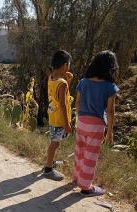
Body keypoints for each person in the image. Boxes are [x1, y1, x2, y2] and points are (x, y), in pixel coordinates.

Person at [74, 51, 119, 197]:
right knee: (90, 156)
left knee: (80, 152)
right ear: (112, 67)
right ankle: (86, 188)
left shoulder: (83, 82)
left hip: (81, 122)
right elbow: (110, 111)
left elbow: (77, 102)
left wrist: (80, 117)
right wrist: (110, 132)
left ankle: (77, 178)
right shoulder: (110, 86)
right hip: (97, 125)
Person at [43, 50, 73, 181]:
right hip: (60, 120)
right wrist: (67, 124)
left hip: (52, 117)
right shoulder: (62, 83)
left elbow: (60, 96)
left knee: (54, 142)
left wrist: (68, 81)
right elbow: (64, 104)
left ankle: (50, 162)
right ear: (65, 65)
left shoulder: (52, 78)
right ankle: (48, 169)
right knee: (54, 144)